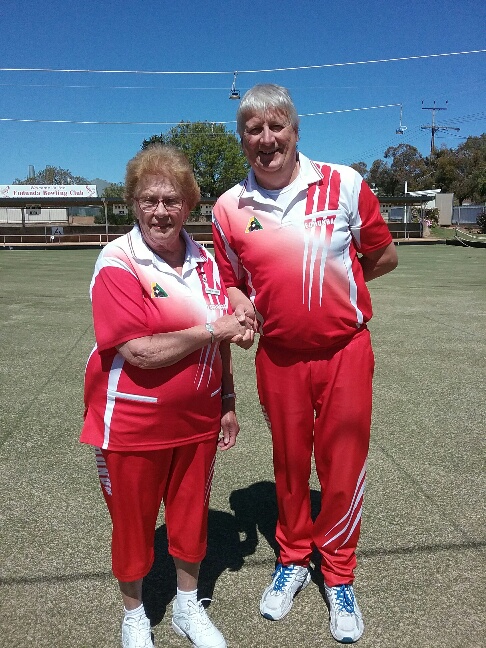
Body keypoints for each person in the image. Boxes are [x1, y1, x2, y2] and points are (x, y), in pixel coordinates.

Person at [212, 84, 398, 644]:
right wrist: (241, 301)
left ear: (295, 130)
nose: (266, 140)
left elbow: (383, 255)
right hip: (279, 359)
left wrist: (337, 298)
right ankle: (293, 557)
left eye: (277, 128)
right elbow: (225, 281)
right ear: (242, 139)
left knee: (341, 464)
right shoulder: (227, 207)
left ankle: (338, 574)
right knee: (291, 464)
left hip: (344, 351)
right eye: (254, 130)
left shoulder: (344, 183)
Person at [80, 144, 251, 648]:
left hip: (197, 422)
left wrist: (227, 403)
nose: (160, 210)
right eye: (149, 199)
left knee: (191, 518)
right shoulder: (117, 261)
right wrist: (211, 329)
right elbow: (140, 353)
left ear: (189, 204)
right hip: (131, 425)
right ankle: (134, 615)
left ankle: (185, 606)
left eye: (172, 200)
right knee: (133, 528)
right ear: (133, 202)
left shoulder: (205, 261)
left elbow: (226, 333)